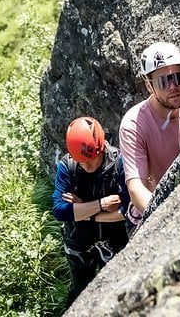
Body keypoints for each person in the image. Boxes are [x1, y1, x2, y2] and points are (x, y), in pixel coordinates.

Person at [119, 42, 180, 225]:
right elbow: (136, 187)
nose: (172, 87)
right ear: (149, 86)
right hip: (157, 207)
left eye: (178, 78)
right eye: (163, 81)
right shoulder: (134, 124)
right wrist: (168, 222)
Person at [52, 116, 130, 306]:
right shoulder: (68, 166)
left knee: (118, 291)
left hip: (113, 241)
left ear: (101, 147)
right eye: (81, 161)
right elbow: (60, 210)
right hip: (79, 244)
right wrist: (101, 204)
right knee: (79, 294)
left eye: (91, 160)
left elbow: (126, 210)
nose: (86, 166)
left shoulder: (118, 162)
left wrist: (83, 212)